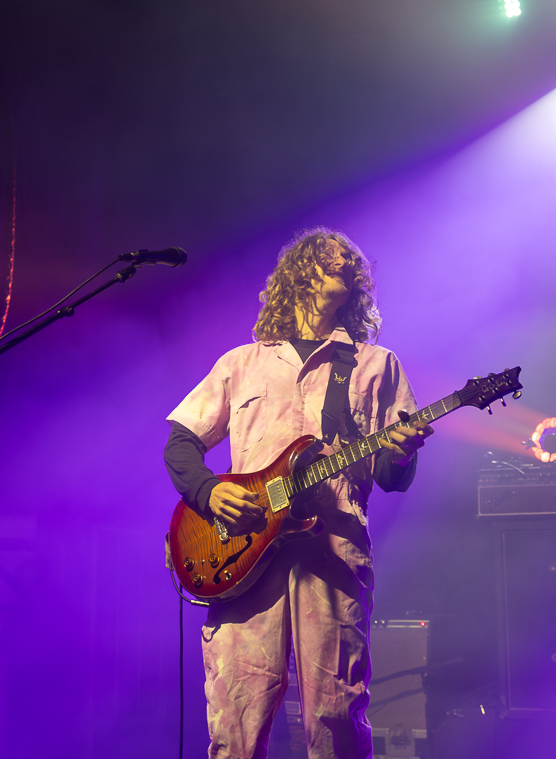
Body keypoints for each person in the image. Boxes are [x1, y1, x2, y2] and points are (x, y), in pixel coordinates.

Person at [164, 227, 432, 759]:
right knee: (237, 717)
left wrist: (401, 451)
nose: (346, 261)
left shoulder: (377, 365)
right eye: (332, 255)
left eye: (352, 260)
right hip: (240, 555)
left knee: (335, 715)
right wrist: (209, 492)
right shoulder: (241, 363)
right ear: (301, 272)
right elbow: (181, 442)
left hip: (333, 555)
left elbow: (392, 476)